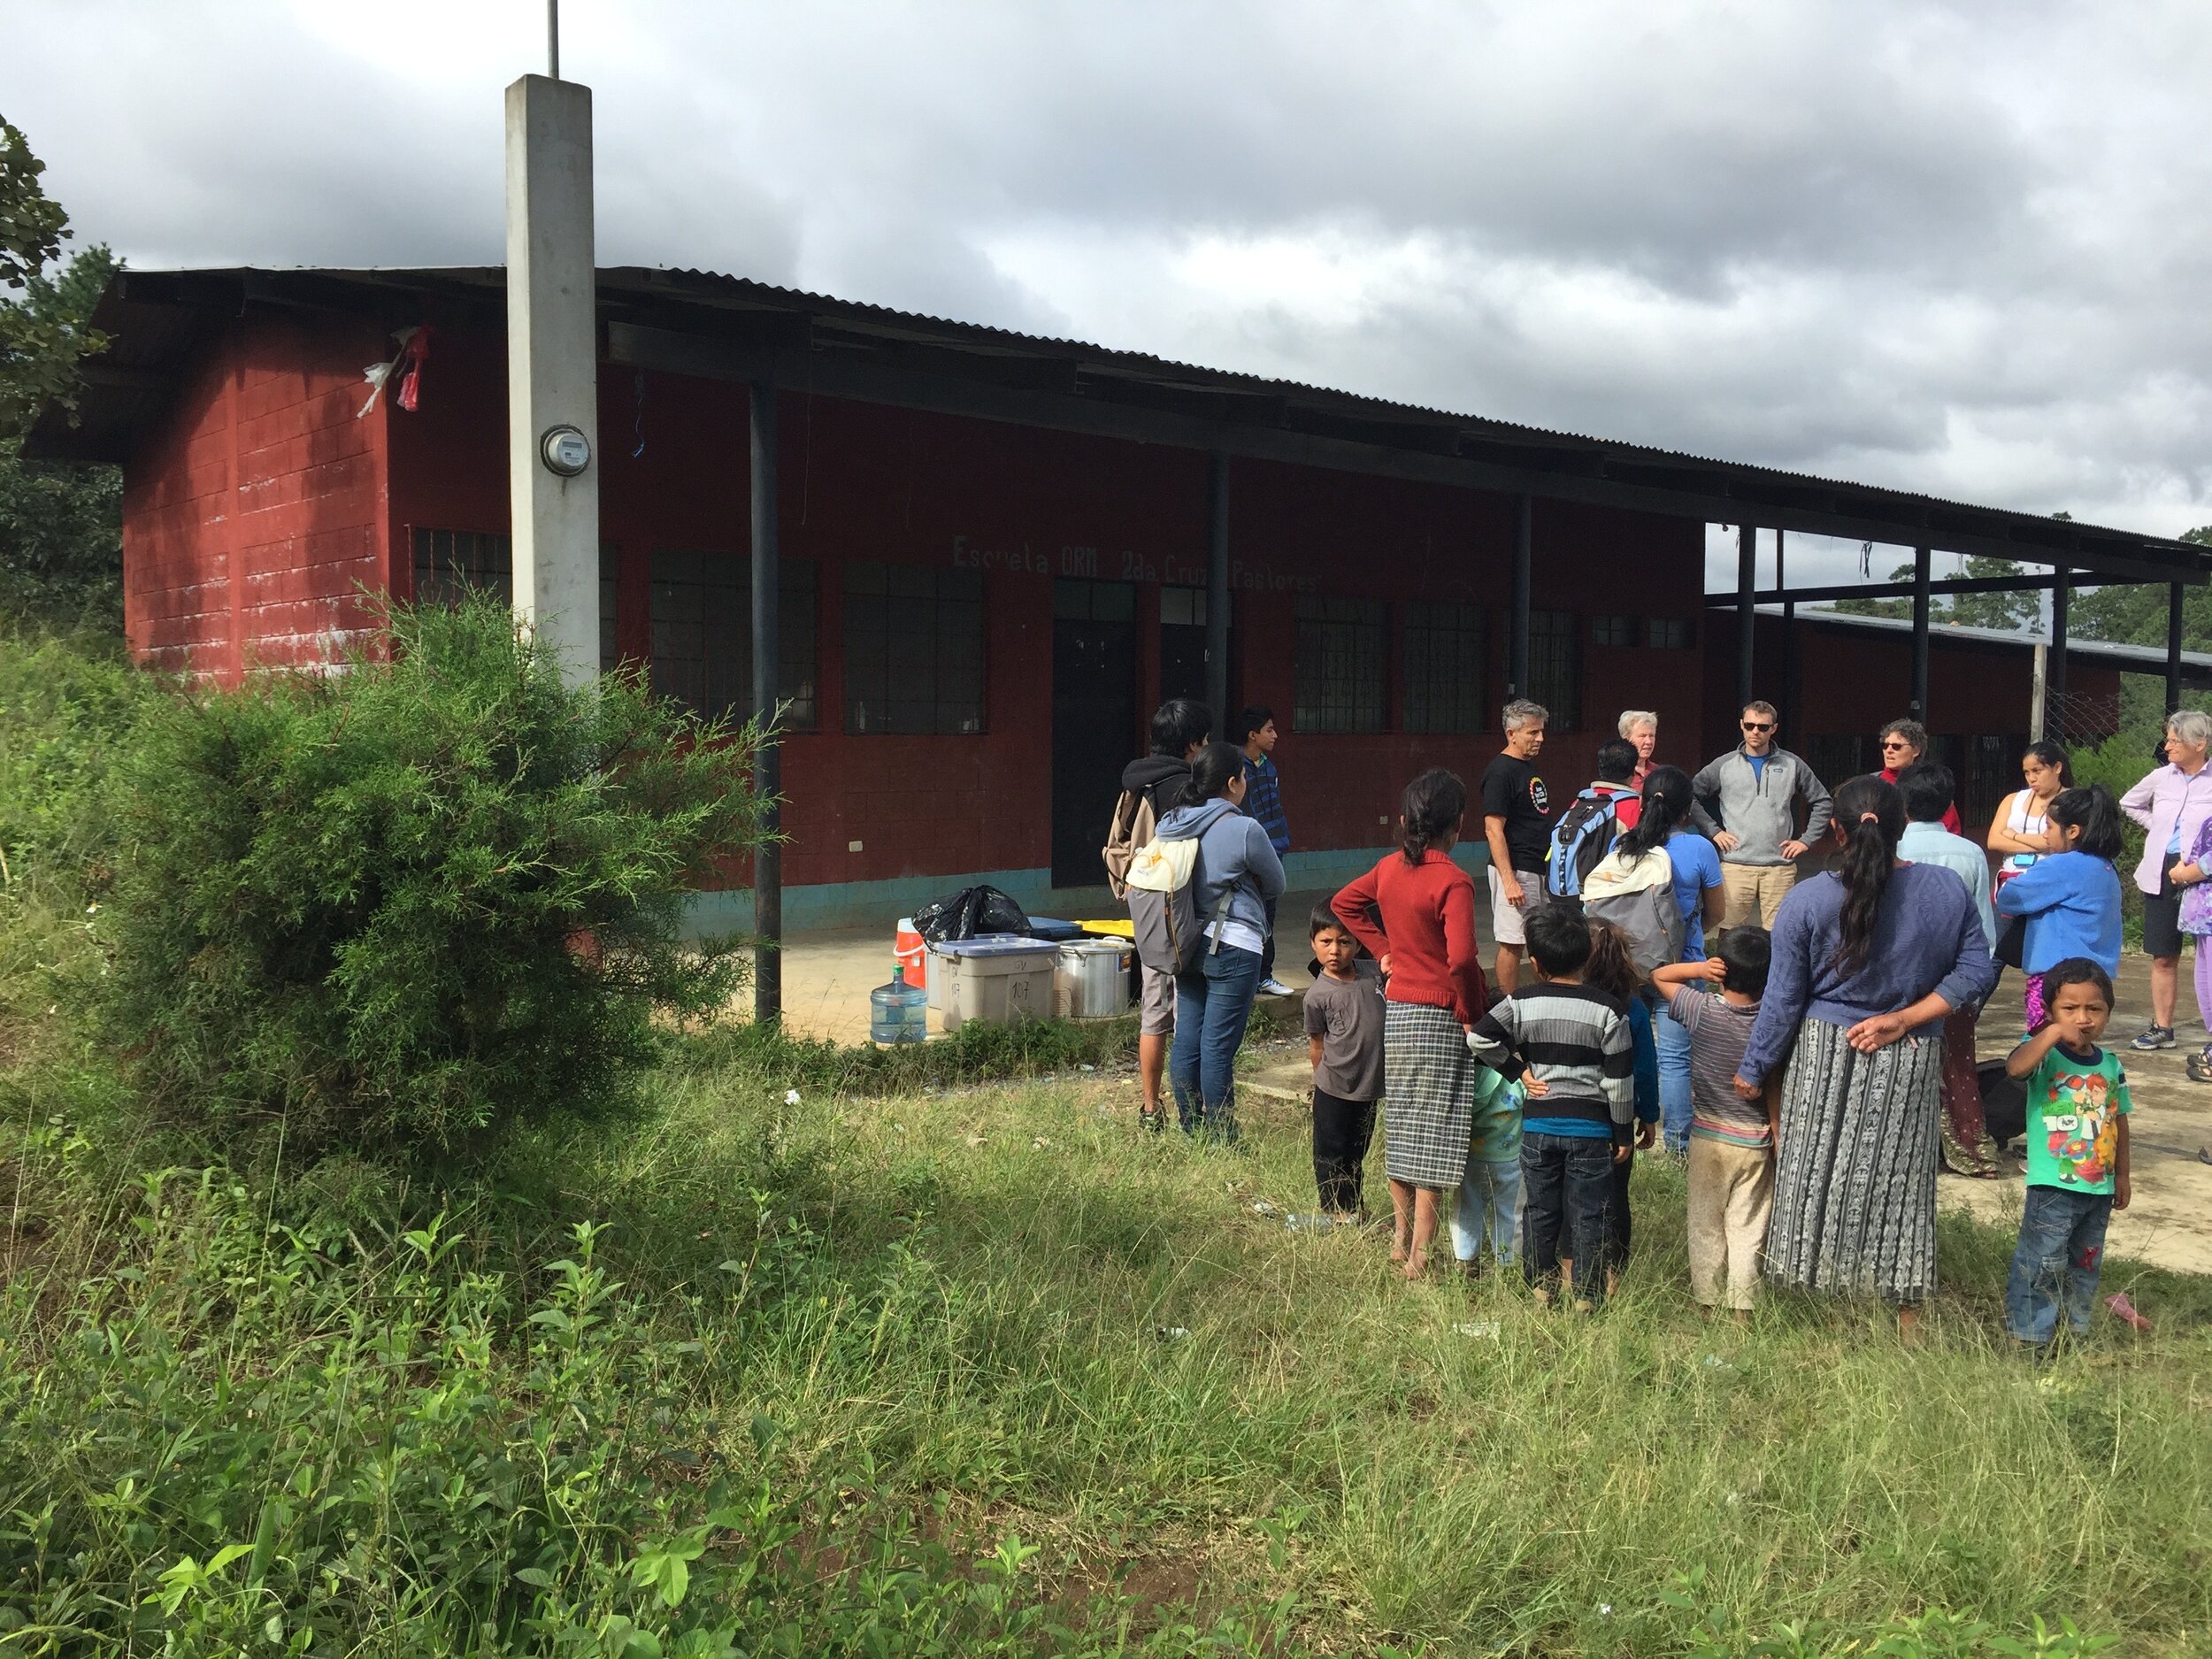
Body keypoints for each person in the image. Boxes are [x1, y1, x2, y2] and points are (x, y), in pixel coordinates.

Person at [1735, 775, 1998, 1333]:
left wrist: (1754, 1069)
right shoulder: (1946, 889)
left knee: (1815, 1175)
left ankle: (1822, 1301)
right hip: (1910, 1054)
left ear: (1835, 830)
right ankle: (1905, 1311)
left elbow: (1783, 1000)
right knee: (1901, 1182)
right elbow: (1975, 971)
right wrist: (1905, 1018)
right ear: (1905, 826)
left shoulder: (1808, 898)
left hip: (1823, 1056)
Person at [1333, 770, 1490, 1279]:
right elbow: (1464, 959)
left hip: (1398, 1013)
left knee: (1402, 1122)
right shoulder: (1454, 881)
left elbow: (1344, 904)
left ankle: (1400, 1243)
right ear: (1459, 825)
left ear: (1405, 821)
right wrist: (1471, 1008)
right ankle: (1423, 1253)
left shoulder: (1388, 868)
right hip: (1442, 1014)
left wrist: (1384, 951)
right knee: (1438, 1129)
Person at [1466, 906, 1635, 1311]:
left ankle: (1541, 1292)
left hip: (1539, 1127)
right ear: (1587, 957)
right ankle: (1587, 1299)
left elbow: (1480, 1040)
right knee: (1591, 1213)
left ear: (1536, 963)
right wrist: (1622, 1133)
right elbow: (1619, 1080)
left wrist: (1518, 1071)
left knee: (1540, 1211)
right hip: (1593, 1132)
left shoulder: (1521, 1002)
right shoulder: (1609, 1010)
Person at [1155, 741, 1285, 1141]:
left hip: (1187, 942)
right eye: (1243, 776)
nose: (1245, 782)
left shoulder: (1171, 823)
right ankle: (1222, 1134)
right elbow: (1277, 883)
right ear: (1232, 782)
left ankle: (1190, 1127)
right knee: (1218, 1046)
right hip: (1233, 944)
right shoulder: (1243, 828)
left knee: (1188, 1038)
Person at [2002, 959, 2132, 1349]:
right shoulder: (2045, 1055)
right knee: (2043, 1260)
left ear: (2108, 1012)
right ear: (2050, 1012)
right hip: (2053, 1186)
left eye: (2094, 1008)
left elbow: (2119, 1120)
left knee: (2086, 1263)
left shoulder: (2111, 1064)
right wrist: (2050, 1033)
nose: (2083, 1018)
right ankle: (2029, 1335)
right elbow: (2015, 1068)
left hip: (2099, 1189)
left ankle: (2074, 1331)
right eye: (2069, 1009)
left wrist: (2122, 1175)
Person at [1652, 926, 1775, 1319]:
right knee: (1748, 1225)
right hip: (1755, 1139)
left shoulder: (1701, 1009)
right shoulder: (1773, 1023)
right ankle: (1744, 1308)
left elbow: (1659, 976)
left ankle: (1707, 1301)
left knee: (1705, 1221)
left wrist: (1700, 968)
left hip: (1708, 1134)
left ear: (1720, 971)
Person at [1897, 762, 2003, 1179]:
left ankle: (1907, 1152)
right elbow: (1985, 929)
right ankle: (1971, 1151)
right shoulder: (1971, 852)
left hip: (1898, 985)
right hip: (1956, 983)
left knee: (1899, 1067)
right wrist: (1973, 986)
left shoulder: (1896, 848)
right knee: (1958, 1066)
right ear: (1949, 806)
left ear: (1902, 805)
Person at [1110, 698, 1211, 1133]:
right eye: (1204, 740)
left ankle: (1150, 1108)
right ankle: (1194, 1111)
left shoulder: (1134, 783)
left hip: (1145, 907)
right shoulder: (1186, 787)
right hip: (1181, 912)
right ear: (1192, 744)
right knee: (1190, 1010)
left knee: (1153, 1012)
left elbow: (1116, 842)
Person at [1626, 765, 1725, 1155]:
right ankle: (1678, 1148)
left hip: (1631, 967)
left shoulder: (1625, 845)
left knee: (1631, 1054)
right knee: (1675, 1060)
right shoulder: (1700, 848)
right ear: (1687, 811)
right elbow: (1718, 913)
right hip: (1682, 968)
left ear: (1642, 802)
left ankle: (1629, 1134)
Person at [1692, 700, 1833, 933]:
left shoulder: (1792, 764)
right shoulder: (1724, 764)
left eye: (1763, 727)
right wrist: (1713, 831)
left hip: (1778, 866)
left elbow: (1822, 800)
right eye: (1750, 725)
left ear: (1774, 728)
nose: (1755, 731)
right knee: (1730, 933)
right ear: (1741, 725)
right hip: (1736, 864)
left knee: (1779, 934)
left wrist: (1806, 840)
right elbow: (1690, 795)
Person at [1994, 785, 2125, 1034]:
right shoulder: (2106, 867)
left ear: (2073, 831)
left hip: (2054, 980)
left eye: (2049, 828)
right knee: (2078, 1047)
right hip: (2096, 981)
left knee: (2044, 1046)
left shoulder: (2061, 865)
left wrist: (2012, 880)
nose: (2045, 835)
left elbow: (2009, 898)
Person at [2118, 710, 2212, 1050]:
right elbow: (2129, 803)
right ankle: (2162, 1026)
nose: (2168, 746)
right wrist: (2160, 830)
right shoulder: (2161, 777)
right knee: (2163, 954)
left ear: (2199, 744)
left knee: (2208, 954)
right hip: (2163, 868)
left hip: (2204, 873)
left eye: (2175, 740)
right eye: (2168, 739)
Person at [1577, 918, 1661, 1296]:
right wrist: (1650, 1115)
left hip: (1577, 1113)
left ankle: (1577, 1266)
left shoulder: (1574, 1004)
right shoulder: (1634, 1009)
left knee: (1576, 1193)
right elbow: (1645, 1067)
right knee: (1616, 1194)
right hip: (1619, 1118)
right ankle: (1613, 1273)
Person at [1303, 902, 1383, 1216]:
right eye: (1326, 942)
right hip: (1333, 1087)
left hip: (1367, 1086)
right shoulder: (1316, 996)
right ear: (1313, 943)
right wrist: (1321, 1079)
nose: (1334, 950)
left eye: (1344, 941)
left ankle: (1353, 1205)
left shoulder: (1373, 974)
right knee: (1330, 1151)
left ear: (1358, 943)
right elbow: (1317, 1043)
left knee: (1357, 1150)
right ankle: (1333, 1210)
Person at [1482, 699, 1554, 993]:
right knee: (1512, 941)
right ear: (1511, 734)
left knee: (1541, 938)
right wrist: (1509, 879)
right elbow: (1493, 829)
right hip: (1516, 867)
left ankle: (1545, 997)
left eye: (1540, 732)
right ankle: (1508, 1003)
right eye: (1532, 733)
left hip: (1536, 866)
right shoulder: (1501, 771)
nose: (1540, 739)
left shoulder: (1527, 767)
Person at [1236, 706, 1294, 997]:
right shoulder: (1236, 767)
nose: (1275, 735)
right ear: (1253, 734)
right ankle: (1251, 975)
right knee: (1249, 913)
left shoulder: (1269, 767)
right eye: (1269, 730)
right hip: (1251, 853)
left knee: (1268, 913)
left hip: (1276, 849)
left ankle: (1264, 976)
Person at [1545, 737, 1641, 901]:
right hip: (1601, 895)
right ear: (1633, 772)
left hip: (1562, 893)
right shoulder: (1631, 805)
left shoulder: (1581, 800)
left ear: (1600, 768)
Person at [1985, 741, 2070, 887]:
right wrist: (2040, 844)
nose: (2032, 779)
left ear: (2057, 768)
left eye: (2037, 771)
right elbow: (1993, 841)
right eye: (2027, 772)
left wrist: (2013, 835)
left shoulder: (2071, 801)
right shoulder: (2012, 799)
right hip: (2011, 879)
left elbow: (2057, 842)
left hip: (2051, 881)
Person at [1877, 718, 1962, 834]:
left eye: (1896, 746)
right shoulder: (1870, 785)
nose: (1888, 750)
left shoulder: (1932, 786)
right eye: (1885, 745)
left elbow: (1951, 830)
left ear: (1916, 751)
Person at [1618, 710, 1660, 791]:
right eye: (1642, 736)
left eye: (1651, 736)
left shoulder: (1659, 772)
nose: (1649, 742)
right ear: (1626, 739)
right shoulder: (1617, 774)